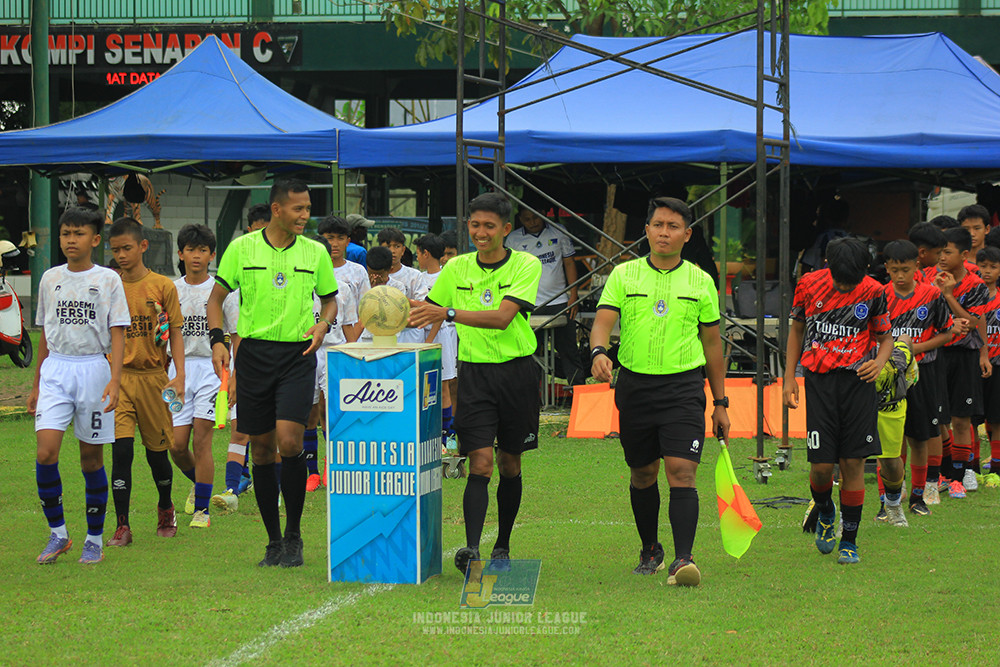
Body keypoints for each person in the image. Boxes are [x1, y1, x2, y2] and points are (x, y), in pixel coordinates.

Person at [589, 197, 729, 586]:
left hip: (683, 388)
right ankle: (650, 548)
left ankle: (684, 559)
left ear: (687, 234)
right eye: (658, 225)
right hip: (635, 387)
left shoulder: (701, 281)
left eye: (673, 226)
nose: (664, 232)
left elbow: (713, 345)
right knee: (643, 472)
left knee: (682, 471)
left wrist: (720, 403)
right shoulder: (624, 275)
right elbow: (602, 323)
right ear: (647, 230)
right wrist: (599, 352)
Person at [207, 178, 338, 568]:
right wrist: (217, 341)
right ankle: (273, 541)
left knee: (290, 441)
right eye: (298, 209)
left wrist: (323, 325)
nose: (305, 215)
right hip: (254, 356)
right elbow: (216, 299)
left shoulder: (315, 252)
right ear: (277, 209)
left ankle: (294, 535)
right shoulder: (241, 248)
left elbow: (330, 301)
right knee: (262, 449)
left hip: (298, 355)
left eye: (308, 208)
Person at [409, 192, 542, 574]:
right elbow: (429, 311)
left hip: (516, 374)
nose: (480, 233)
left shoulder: (526, 264)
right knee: (480, 462)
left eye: (489, 226)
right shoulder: (456, 268)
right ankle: (471, 550)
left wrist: (448, 312)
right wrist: (401, 334)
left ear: (506, 228)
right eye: (474, 225)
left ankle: (502, 545)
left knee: (509, 464)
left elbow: (502, 318)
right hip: (475, 376)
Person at [29, 207, 130, 565]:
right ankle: (58, 534)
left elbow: (118, 333)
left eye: (78, 233)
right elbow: (45, 333)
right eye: (65, 233)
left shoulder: (108, 279)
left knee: (91, 460)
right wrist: (36, 385)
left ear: (95, 239)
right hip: (56, 370)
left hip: (93, 371)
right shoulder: (49, 278)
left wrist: (115, 380)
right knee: (46, 452)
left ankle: (94, 539)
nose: (71, 240)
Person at [787, 237, 893, 565]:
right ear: (828, 266)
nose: (845, 287)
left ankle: (849, 541)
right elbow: (797, 330)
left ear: (865, 270)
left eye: (852, 282)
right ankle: (825, 510)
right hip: (819, 383)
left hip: (858, 384)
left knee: (853, 464)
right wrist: (789, 378)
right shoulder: (808, 284)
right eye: (840, 281)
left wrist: (880, 361)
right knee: (821, 468)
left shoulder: (874, 291)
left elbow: (885, 337)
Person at [106, 217, 185, 547]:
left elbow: (175, 331)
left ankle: (165, 508)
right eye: (115, 250)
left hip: (154, 379)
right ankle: (122, 526)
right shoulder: (109, 285)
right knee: (121, 452)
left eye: (127, 248)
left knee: (157, 454)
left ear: (143, 246)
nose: (121, 256)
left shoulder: (162, 286)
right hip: (120, 379)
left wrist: (179, 375)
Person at [168, 225, 238, 528]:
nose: (196, 256)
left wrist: (233, 376)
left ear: (212, 255)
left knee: (202, 440)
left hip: (212, 370)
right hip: (178, 371)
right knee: (176, 445)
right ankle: (201, 484)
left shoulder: (223, 292)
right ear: (180, 254)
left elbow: (236, 336)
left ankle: (202, 511)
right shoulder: (171, 290)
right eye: (190, 250)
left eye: (203, 250)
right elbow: (164, 334)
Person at [881, 239, 957, 516]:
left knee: (920, 436)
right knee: (892, 437)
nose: (900, 276)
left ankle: (919, 495)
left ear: (917, 266)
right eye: (894, 271)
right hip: (890, 375)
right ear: (886, 268)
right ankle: (891, 493)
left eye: (905, 270)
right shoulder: (880, 295)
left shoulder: (932, 295)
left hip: (924, 372)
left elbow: (947, 333)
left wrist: (915, 348)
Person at [212, 204, 268, 512]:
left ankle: (273, 487)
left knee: (272, 435)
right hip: (247, 368)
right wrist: (235, 376)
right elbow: (236, 340)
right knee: (240, 429)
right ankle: (232, 489)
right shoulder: (232, 297)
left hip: (280, 366)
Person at [930, 227, 990, 497]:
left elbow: (973, 322)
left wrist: (949, 296)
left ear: (964, 255)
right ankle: (944, 472)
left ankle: (961, 472)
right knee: (939, 418)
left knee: (962, 419)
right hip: (937, 353)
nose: (942, 257)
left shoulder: (976, 285)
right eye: (940, 252)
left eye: (948, 252)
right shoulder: (929, 279)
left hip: (964, 356)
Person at [304, 234, 360, 493]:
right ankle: (311, 472)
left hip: (334, 352)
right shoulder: (298, 286)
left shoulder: (343, 288)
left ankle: (331, 465)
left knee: (331, 411)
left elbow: (349, 327)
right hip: (306, 351)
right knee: (309, 413)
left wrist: (354, 357)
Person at [506, 205, 586, 388]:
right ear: (520, 219)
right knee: (530, 353)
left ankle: (578, 392)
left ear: (543, 214)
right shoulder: (513, 239)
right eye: (527, 219)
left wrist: (573, 295)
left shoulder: (559, 231)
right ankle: (533, 394)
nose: (532, 222)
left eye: (535, 217)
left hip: (559, 302)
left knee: (569, 351)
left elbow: (569, 262)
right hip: (529, 304)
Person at [415, 233, 457, 443]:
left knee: (443, 385)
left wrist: (430, 339)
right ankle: (430, 433)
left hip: (441, 335)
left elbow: (440, 311)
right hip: (423, 335)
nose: (416, 258)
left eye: (418, 254)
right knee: (426, 386)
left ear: (426, 253)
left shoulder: (445, 277)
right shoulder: (419, 278)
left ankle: (448, 437)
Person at [872, 337, 918, 527]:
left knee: (890, 462)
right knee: (849, 461)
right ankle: (844, 517)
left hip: (889, 406)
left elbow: (906, 340)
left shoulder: (898, 352)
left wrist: (911, 367)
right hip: (856, 403)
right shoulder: (850, 348)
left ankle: (892, 504)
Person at [976, 246, 1000, 483]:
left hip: (998, 364)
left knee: (996, 417)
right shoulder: (971, 299)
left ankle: (996, 469)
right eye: (983, 266)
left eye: (993, 267)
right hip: (973, 364)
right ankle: (971, 468)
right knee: (972, 418)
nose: (987, 271)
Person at [378, 227, 427, 343]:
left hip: (410, 334)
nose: (392, 251)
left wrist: (400, 300)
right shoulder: (372, 276)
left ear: (403, 250)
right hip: (381, 333)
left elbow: (423, 305)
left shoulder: (414, 276)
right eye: (388, 247)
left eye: (397, 246)